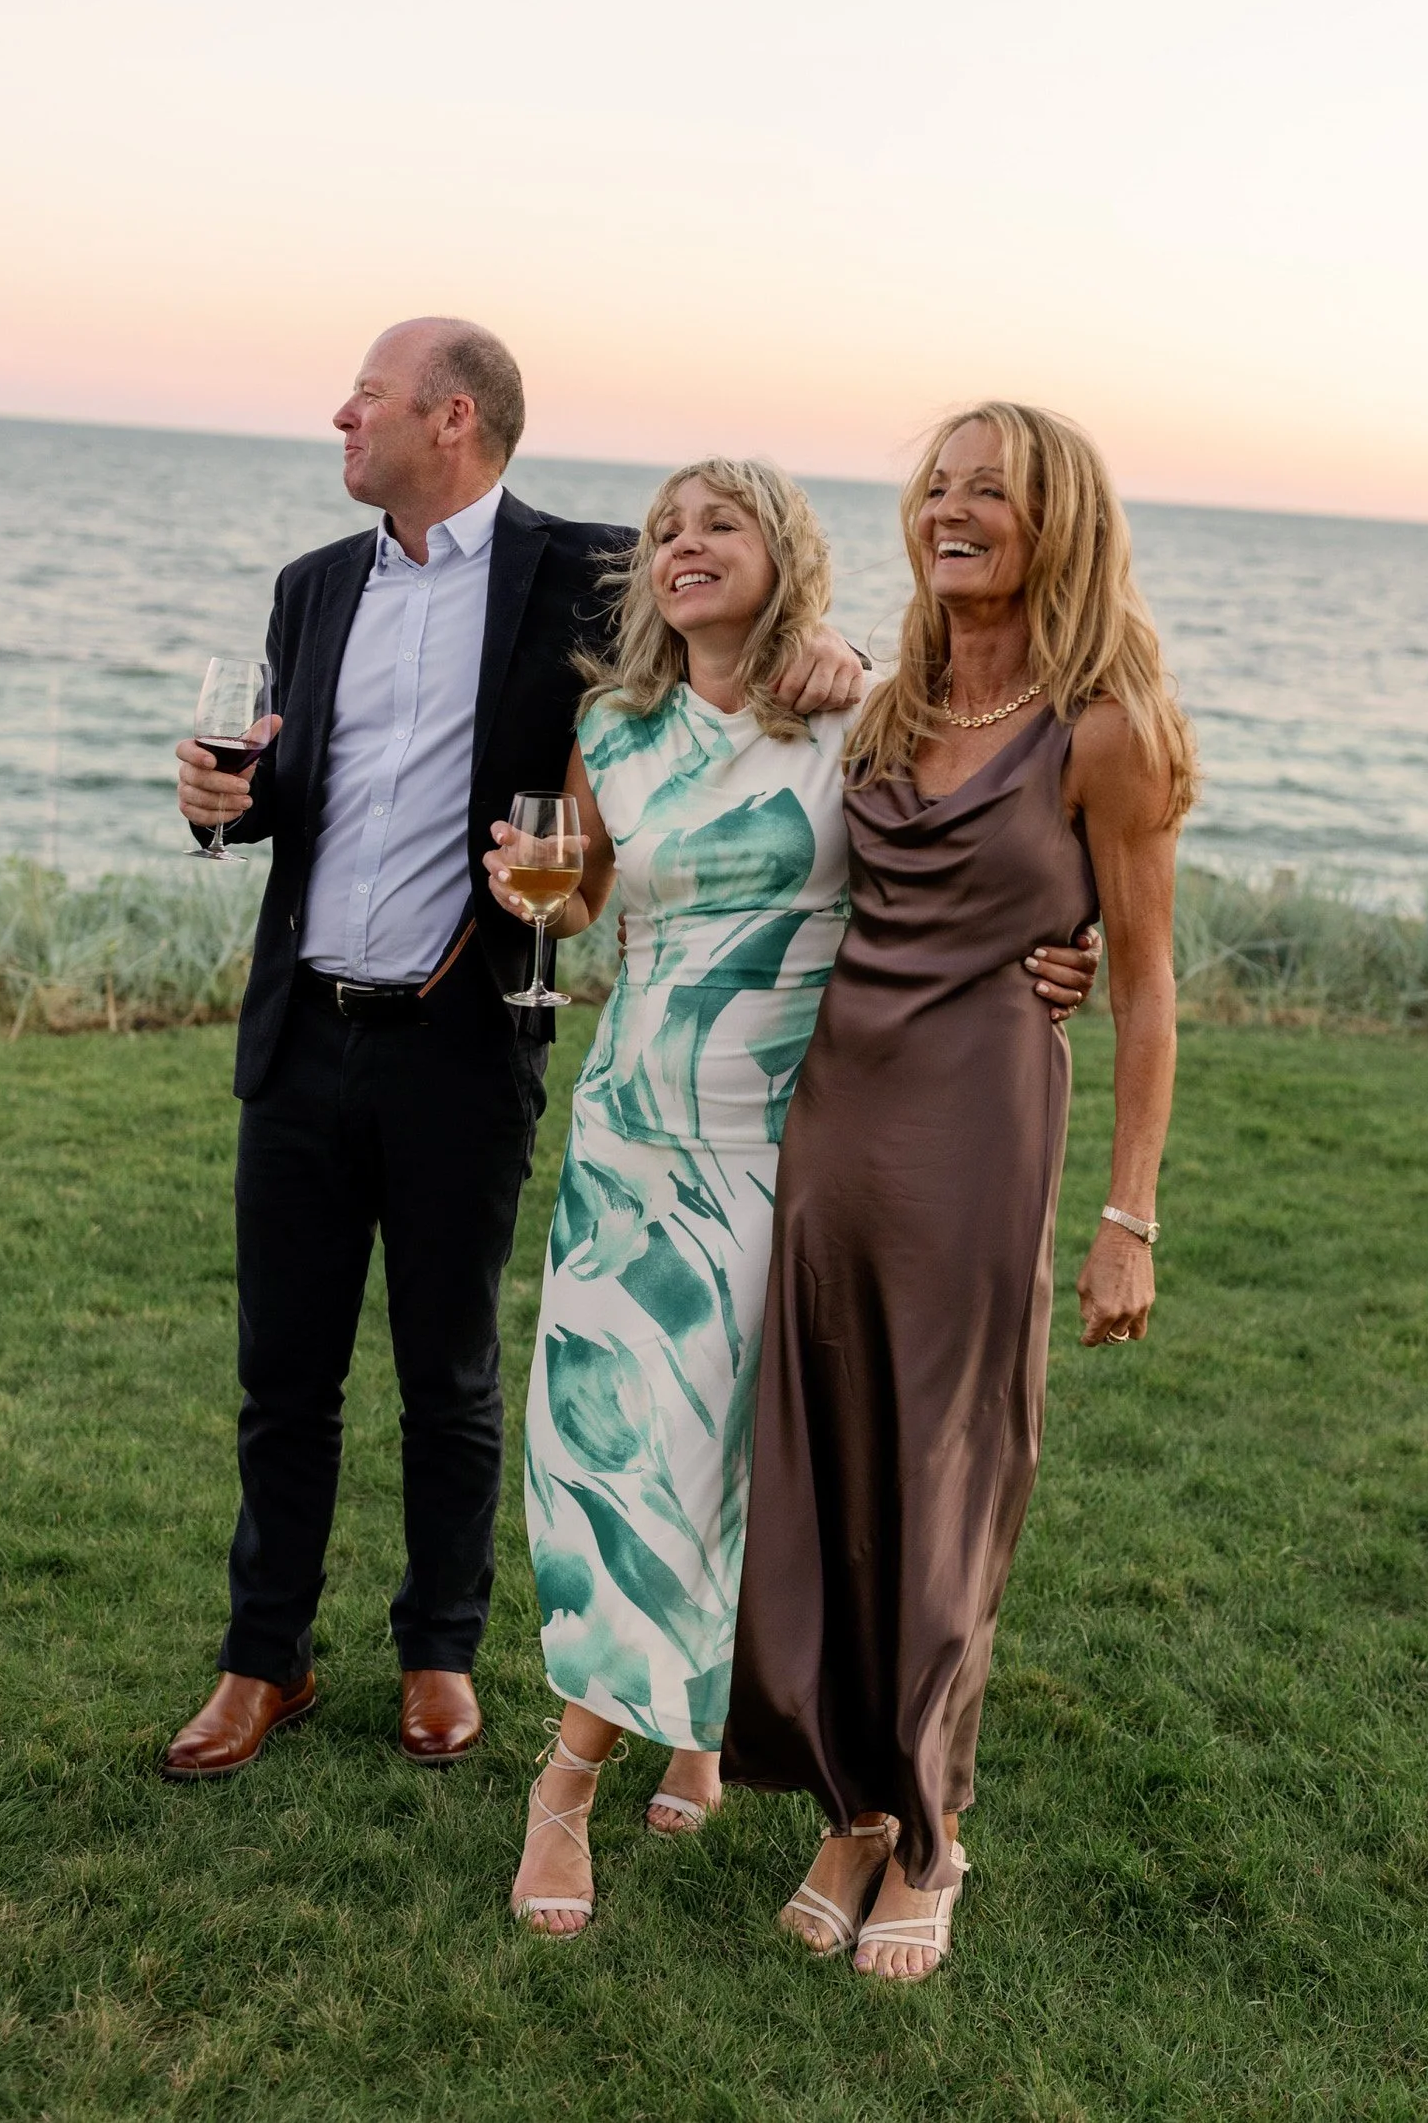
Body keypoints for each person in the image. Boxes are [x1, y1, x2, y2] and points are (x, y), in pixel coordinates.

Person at [160, 321, 864, 1781]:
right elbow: (297, 780)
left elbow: (735, 609)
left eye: (365, 396)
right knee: (282, 1375)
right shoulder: (311, 586)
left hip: (463, 1044)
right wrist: (227, 800)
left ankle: (440, 1653)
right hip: (300, 1039)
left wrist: (834, 652)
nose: (339, 416)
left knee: (451, 1371)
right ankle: (262, 1659)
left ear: (453, 419)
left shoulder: (594, 569)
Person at [480, 459, 1101, 1933]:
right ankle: (588, 1770)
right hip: (633, 1139)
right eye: (667, 530)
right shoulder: (610, 726)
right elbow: (596, 896)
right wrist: (536, 888)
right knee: (609, 1461)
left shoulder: (858, 712)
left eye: (723, 523)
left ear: (787, 554)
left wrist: (1052, 950)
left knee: (738, 1470)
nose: (686, 544)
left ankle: (667, 1741)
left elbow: (959, 857)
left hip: (789, 1154)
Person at [721, 401, 1196, 1980]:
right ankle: (853, 1807)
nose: (953, 509)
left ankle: (931, 1832)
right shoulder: (886, 706)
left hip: (980, 1132)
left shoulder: (1107, 732)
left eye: (991, 491)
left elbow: (1146, 984)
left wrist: (1128, 1219)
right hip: (835, 1125)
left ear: (1058, 523)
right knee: (832, 1466)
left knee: (949, 1481)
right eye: (938, 486)